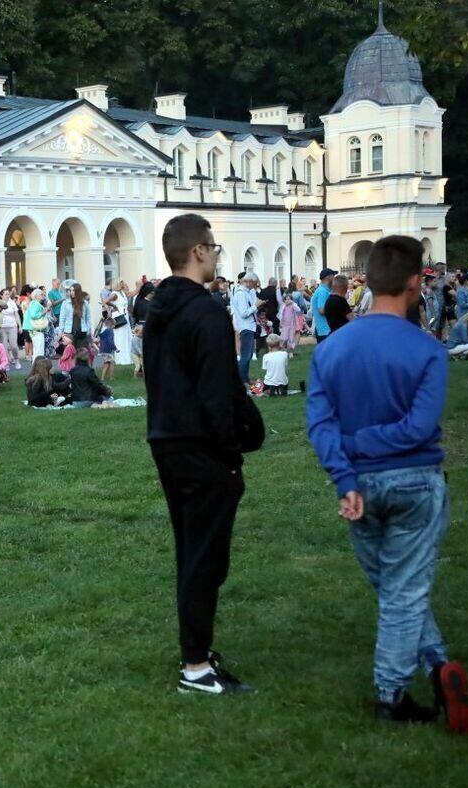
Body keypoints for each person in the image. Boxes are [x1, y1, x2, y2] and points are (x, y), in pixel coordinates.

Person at [306, 234, 468, 731]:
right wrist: (360, 453)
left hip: (358, 483)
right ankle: (401, 689)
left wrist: (346, 469)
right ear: (414, 284)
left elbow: (321, 425)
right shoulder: (426, 349)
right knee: (402, 589)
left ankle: (426, 672)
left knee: (394, 586)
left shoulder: (332, 348)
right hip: (414, 479)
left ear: (368, 281)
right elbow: (419, 427)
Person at [146, 213, 258, 695]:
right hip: (200, 445)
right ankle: (195, 667)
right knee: (203, 557)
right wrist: (232, 450)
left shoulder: (160, 310)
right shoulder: (205, 312)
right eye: (212, 247)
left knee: (195, 551)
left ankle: (197, 651)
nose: (215, 255)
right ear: (196, 251)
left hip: (168, 440)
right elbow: (218, 392)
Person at [230, 272, 259, 383]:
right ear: (249, 282)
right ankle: (241, 380)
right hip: (246, 326)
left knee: (248, 354)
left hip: (249, 326)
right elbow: (243, 313)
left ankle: (245, 379)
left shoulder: (246, 293)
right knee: (245, 355)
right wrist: (256, 306)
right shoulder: (241, 294)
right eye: (255, 283)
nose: (256, 286)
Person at [59, 282, 92, 355]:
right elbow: (62, 318)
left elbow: (88, 318)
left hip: (82, 332)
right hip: (69, 332)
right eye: (70, 290)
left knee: (82, 355)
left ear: (78, 291)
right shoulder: (65, 303)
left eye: (73, 290)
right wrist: (61, 333)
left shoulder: (85, 303)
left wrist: (88, 330)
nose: (71, 292)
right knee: (70, 355)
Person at [21, 288, 50, 359]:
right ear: (36, 296)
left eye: (43, 294)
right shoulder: (36, 304)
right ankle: (38, 364)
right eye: (41, 294)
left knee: (37, 349)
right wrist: (45, 310)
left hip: (34, 329)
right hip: (36, 329)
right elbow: (33, 315)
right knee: (39, 350)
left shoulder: (34, 303)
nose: (43, 295)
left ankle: (36, 364)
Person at [0, 287, 21, 371]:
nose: (7, 295)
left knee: (13, 345)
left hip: (12, 326)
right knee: (4, 346)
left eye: (8, 294)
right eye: (6, 294)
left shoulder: (12, 303)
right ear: (1, 296)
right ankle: (6, 362)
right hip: (2, 327)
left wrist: (20, 326)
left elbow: (16, 315)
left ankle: (16, 360)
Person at [311, 268, 335, 343]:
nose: (334, 278)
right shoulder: (322, 291)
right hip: (325, 330)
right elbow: (321, 310)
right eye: (333, 276)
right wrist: (337, 310)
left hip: (324, 330)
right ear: (328, 277)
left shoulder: (323, 290)